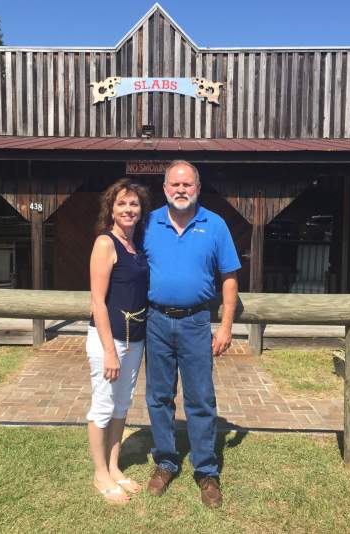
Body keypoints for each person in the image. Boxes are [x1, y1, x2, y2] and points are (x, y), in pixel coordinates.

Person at [144, 160, 241, 508]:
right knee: (158, 396)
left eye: (188, 184)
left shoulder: (214, 225)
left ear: (198, 188)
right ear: (165, 188)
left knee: (200, 398)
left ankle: (206, 471)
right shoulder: (148, 223)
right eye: (174, 184)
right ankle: (166, 462)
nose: (181, 190)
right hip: (155, 321)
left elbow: (229, 277)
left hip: (196, 323)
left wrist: (226, 325)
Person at [86, 178, 150, 504]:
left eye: (134, 204)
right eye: (122, 203)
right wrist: (110, 351)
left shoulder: (136, 248)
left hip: (135, 340)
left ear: (141, 211)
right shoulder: (105, 244)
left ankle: (114, 466)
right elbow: (98, 301)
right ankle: (100, 474)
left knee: (122, 406)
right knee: (102, 406)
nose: (128, 209)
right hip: (108, 341)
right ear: (111, 208)